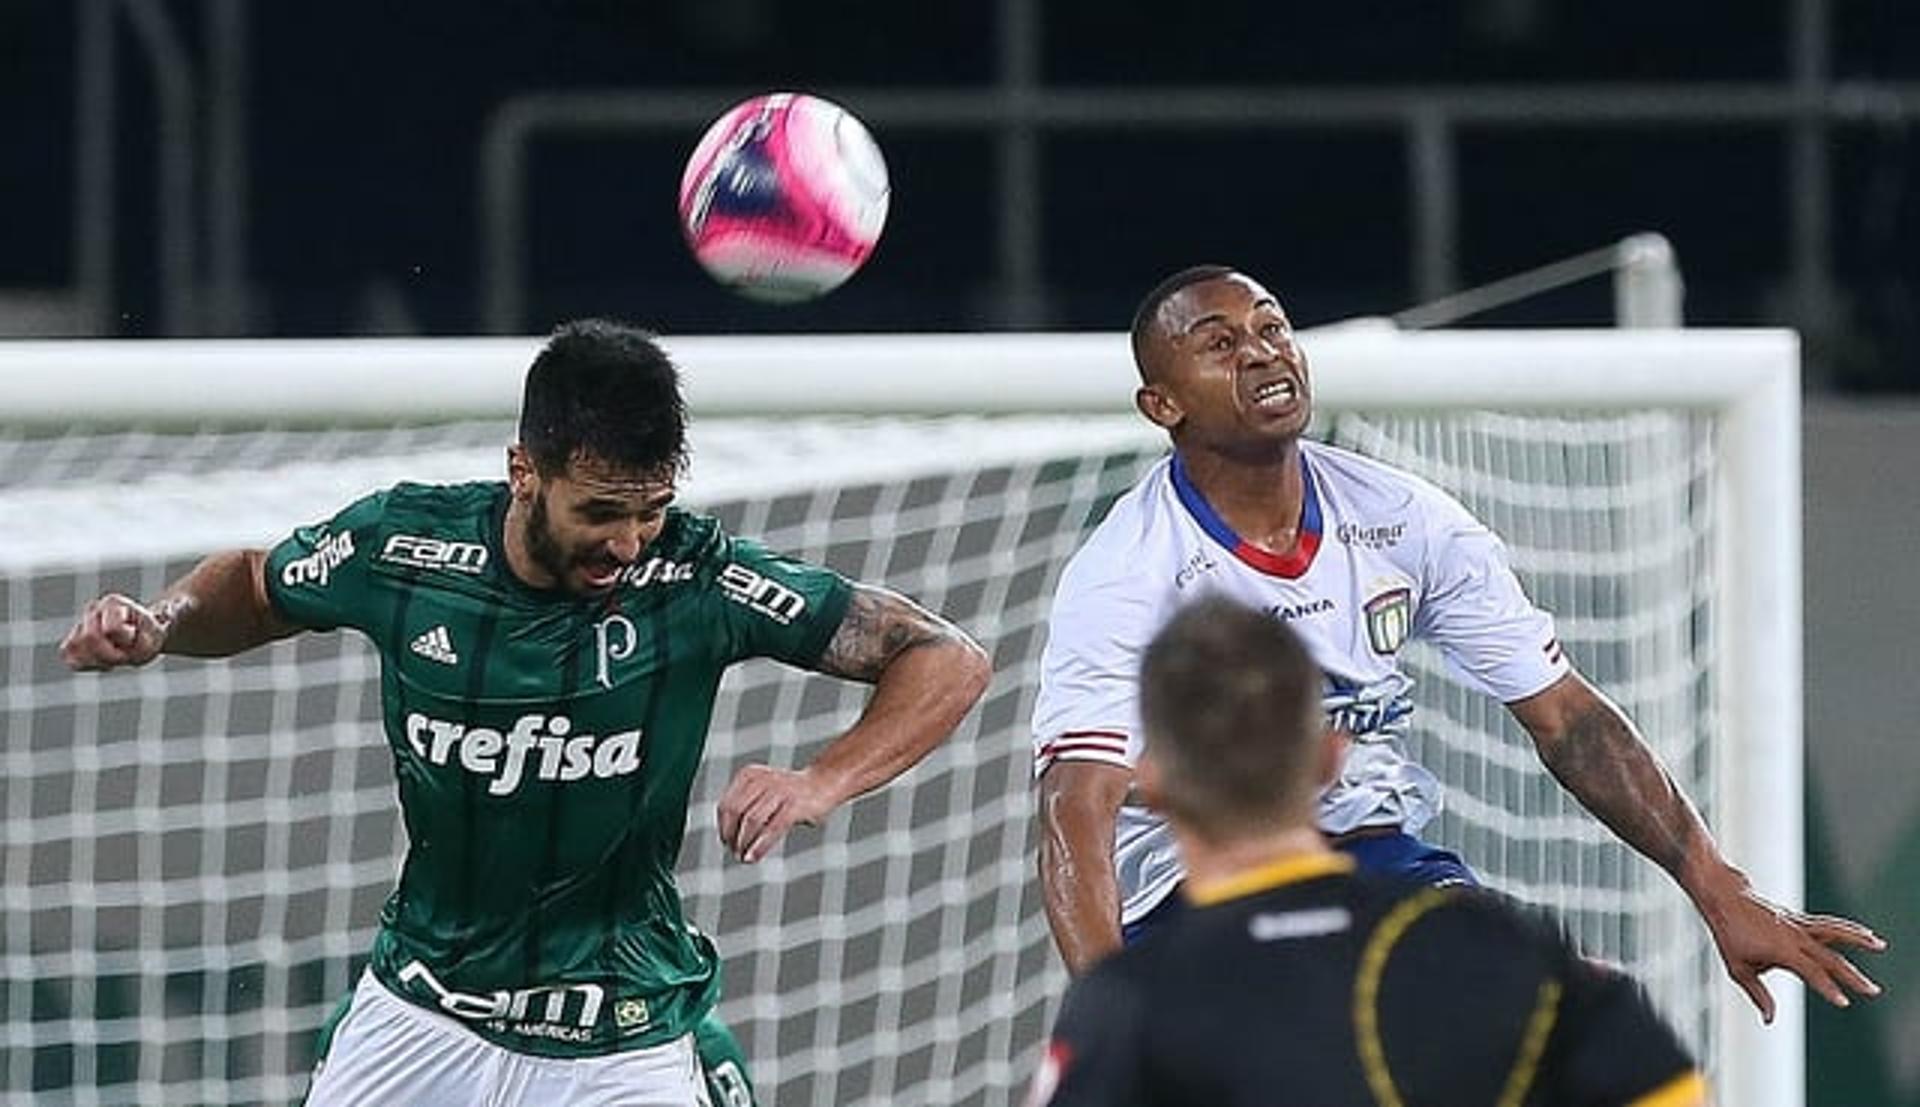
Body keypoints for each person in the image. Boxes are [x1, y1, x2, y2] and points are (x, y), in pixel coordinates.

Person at [60, 319, 991, 1107]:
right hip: (424, 1011)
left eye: (653, 509)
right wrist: (163, 622)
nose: (626, 542)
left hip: (619, 1035)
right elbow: (259, 586)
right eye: (599, 511)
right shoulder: (409, 548)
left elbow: (945, 656)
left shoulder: (699, 576)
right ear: (523, 470)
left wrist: (821, 778)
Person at [1031, 264, 1884, 1020]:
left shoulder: (1403, 519)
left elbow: (1566, 717)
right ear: (1162, 403)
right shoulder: (1128, 573)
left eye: (1272, 328)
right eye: (1220, 343)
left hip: (1379, 860)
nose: (1261, 353)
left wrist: (1718, 886)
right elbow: (1077, 806)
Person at [1029, 595, 1708, 1106]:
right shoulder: (1491, 942)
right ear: (1331, 758)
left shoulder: (1131, 1002)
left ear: (1150, 784)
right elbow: (1666, 1086)